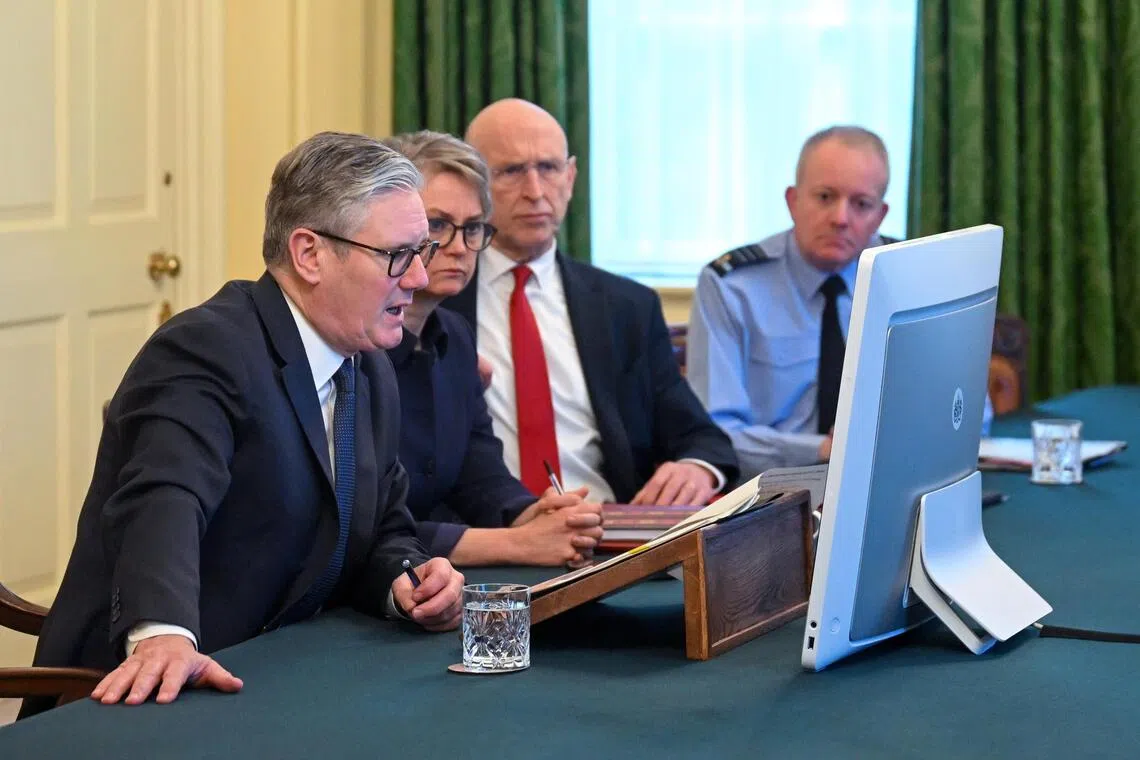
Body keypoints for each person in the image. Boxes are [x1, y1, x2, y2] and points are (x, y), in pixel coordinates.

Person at [20, 132, 464, 718]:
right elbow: (163, 495)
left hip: (279, 676)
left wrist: (409, 581)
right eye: (397, 257)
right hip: (144, 691)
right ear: (310, 254)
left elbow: (383, 529)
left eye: (422, 252)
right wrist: (164, 632)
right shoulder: (205, 348)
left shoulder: (370, 368)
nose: (419, 279)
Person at [444, 98, 739, 507]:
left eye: (548, 169)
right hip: (487, 537)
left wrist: (696, 466)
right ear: (475, 185)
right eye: (511, 171)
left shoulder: (627, 308)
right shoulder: (433, 301)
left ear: (571, 177)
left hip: (607, 532)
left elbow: (702, 438)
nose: (535, 192)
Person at [687, 126, 993, 479]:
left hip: (889, 482)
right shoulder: (732, 287)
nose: (840, 218)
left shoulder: (917, 279)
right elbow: (713, 433)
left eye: (861, 204)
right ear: (792, 201)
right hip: (770, 493)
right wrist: (822, 451)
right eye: (825, 197)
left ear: (880, 215)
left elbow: (970, 414)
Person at [382, 130, 604, 566]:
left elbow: (478, 470)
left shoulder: (455, 335)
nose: (461, 248)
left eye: (473, 228)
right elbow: (368, 522)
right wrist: (522, 543)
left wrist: (532, 513)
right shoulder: (354, 342)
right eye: (439, 226)